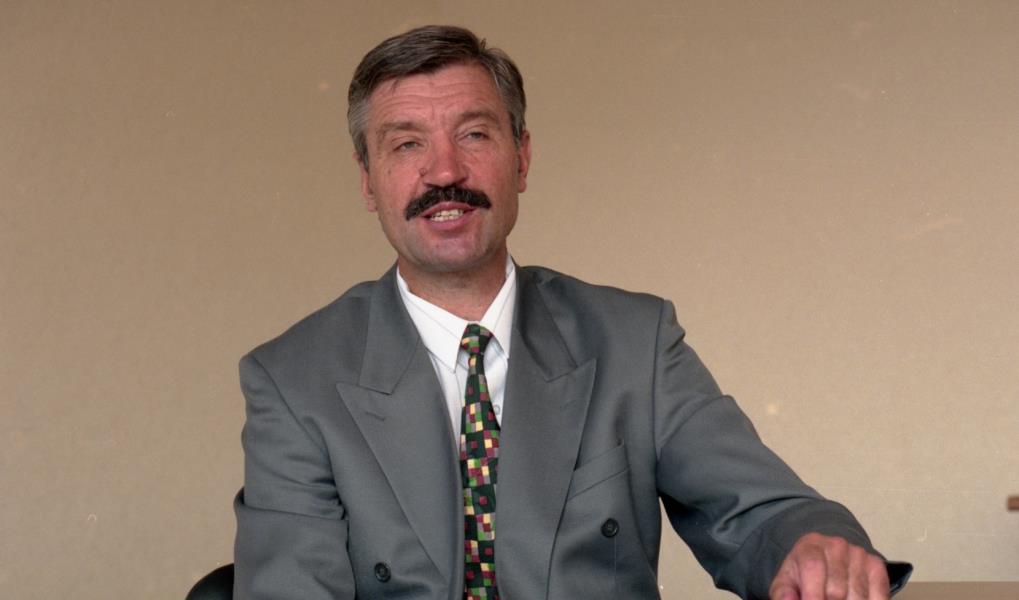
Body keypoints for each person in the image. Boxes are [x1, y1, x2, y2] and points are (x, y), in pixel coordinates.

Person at [233, 25, 911, 600]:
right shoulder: (292, 379)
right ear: (367, 180)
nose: (444, 172)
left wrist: (811, 549)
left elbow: (761, 514)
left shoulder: (634, 343)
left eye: (474, 134)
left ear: (521, 158)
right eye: (406, 144)